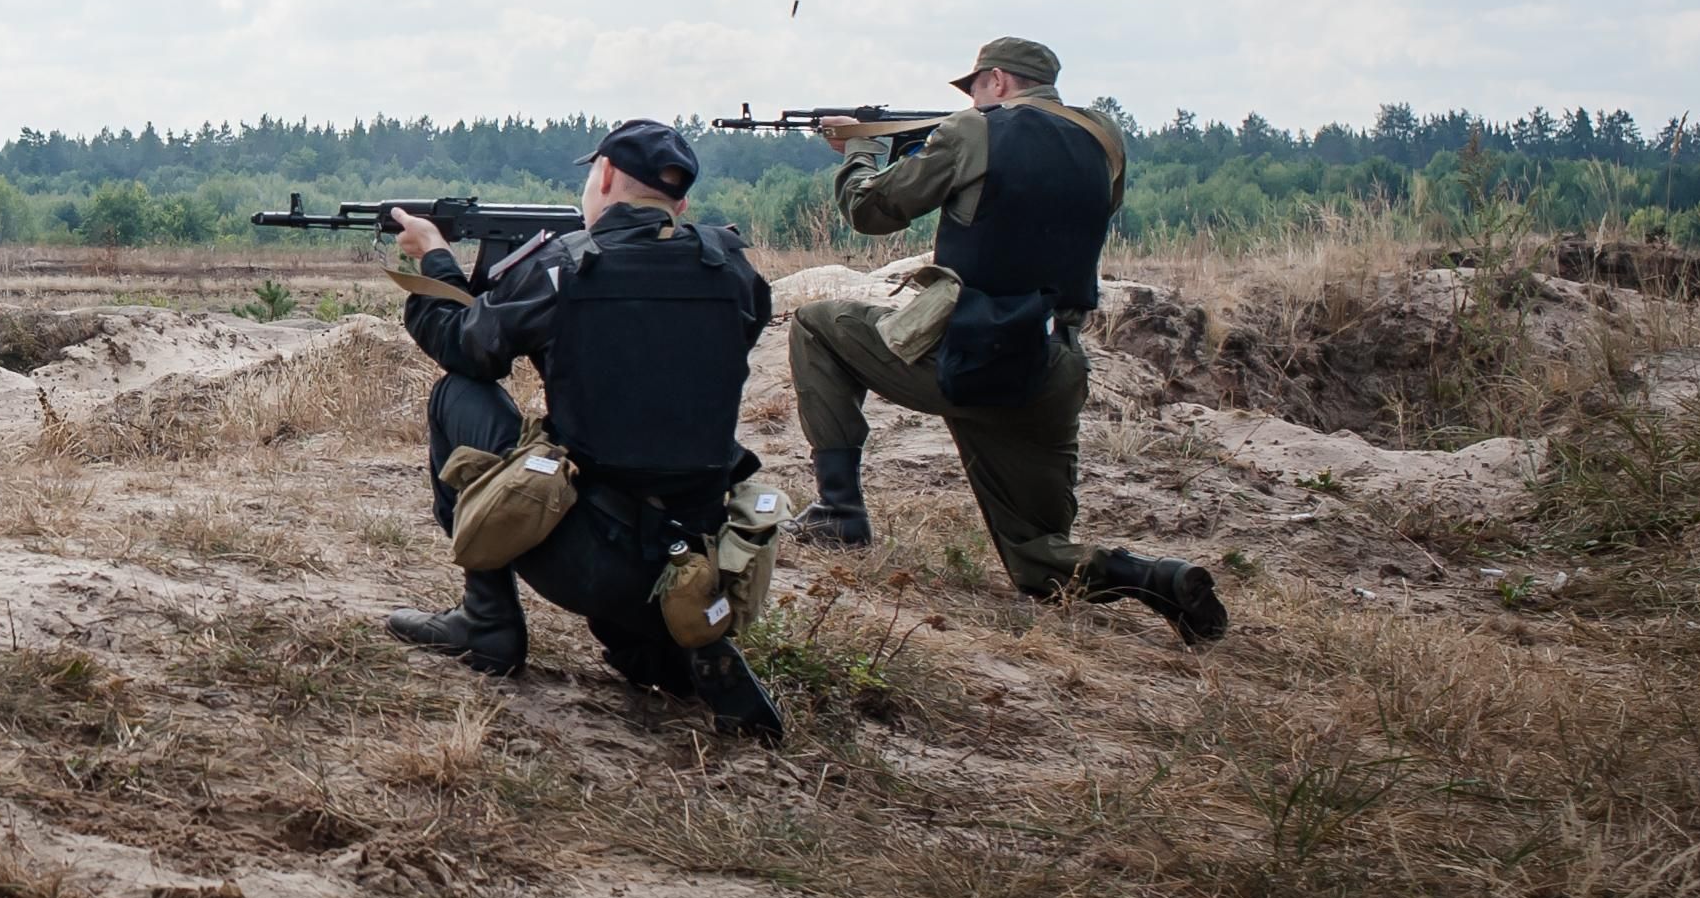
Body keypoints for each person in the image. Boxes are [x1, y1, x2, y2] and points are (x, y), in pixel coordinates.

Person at [786, 38, 1229, 642]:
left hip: (967, 352)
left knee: (815, 326)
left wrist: (861, 151)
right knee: (1038, 560)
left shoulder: (972, 132)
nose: (969, 99)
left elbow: (873, 212)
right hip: (1053, 362)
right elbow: (1029, 195)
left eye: (973, 88)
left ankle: (839, 514)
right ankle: (1155, 578)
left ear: (996, 80)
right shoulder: (1104, 140)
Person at [380, 120, 788, 739]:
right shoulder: (734, 271)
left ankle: (487, 623)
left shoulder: (566, 269)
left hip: (587, 556)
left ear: (602, 175)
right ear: (680, 202)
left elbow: (466, 350)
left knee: (459, 395)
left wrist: (435, 258)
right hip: (698, 557)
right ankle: (686, 635)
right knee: (650, 659)